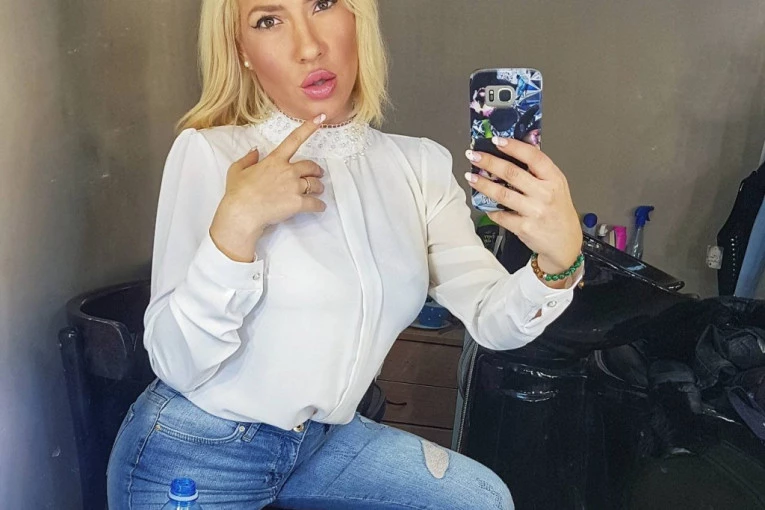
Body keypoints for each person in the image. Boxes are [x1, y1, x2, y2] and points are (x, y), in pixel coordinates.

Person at [107, 0, 584, 508]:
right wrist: (237, 225)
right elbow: (176, 363)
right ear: (242, 50)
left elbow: (492, 319)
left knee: (481, 500)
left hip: (325, 441)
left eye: (323, 4)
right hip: (197, 448)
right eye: (268, 20)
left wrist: (560, 263)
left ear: (358, 17)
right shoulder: (211, 153)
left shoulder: (418, 166)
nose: (309, 46)